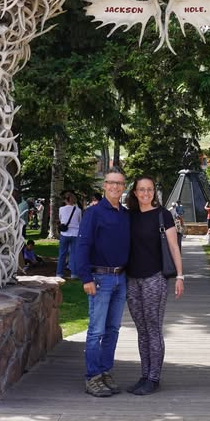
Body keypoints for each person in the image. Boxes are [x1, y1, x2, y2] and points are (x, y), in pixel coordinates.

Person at [124, 175, 184, 395]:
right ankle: (144, 375)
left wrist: (180, 276)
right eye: (141, 189)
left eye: (149, 189)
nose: (145, 193)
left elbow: (174, 247)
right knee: (141, 331)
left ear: (154, 192)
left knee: (153, 329)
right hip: (132, 280)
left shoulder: (163, 215)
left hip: (154, 279)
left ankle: (154, 378)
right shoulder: (129, 216)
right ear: (135, 193)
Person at [74, 170, 131, 398]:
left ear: (124, 187)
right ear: (104, 186)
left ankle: (106, 371)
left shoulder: (126, 215)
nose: (115, 187)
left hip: (121, 278)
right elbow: (82, 246)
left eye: (120, 184)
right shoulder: (93, 213)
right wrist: (86, 277)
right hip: (99, 278)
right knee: (96, 330)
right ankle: (93, 377)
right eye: (111, 183)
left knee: (113, 329)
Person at [57, 191, 82, 279]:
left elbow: (61, 219)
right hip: (75, 233)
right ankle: (74, 274)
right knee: (74, 254)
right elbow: (80, 221)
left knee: (62, 254)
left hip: (64, 233)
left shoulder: (61, 209)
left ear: (65, 200)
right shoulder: (78, 210)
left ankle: (59, 273)